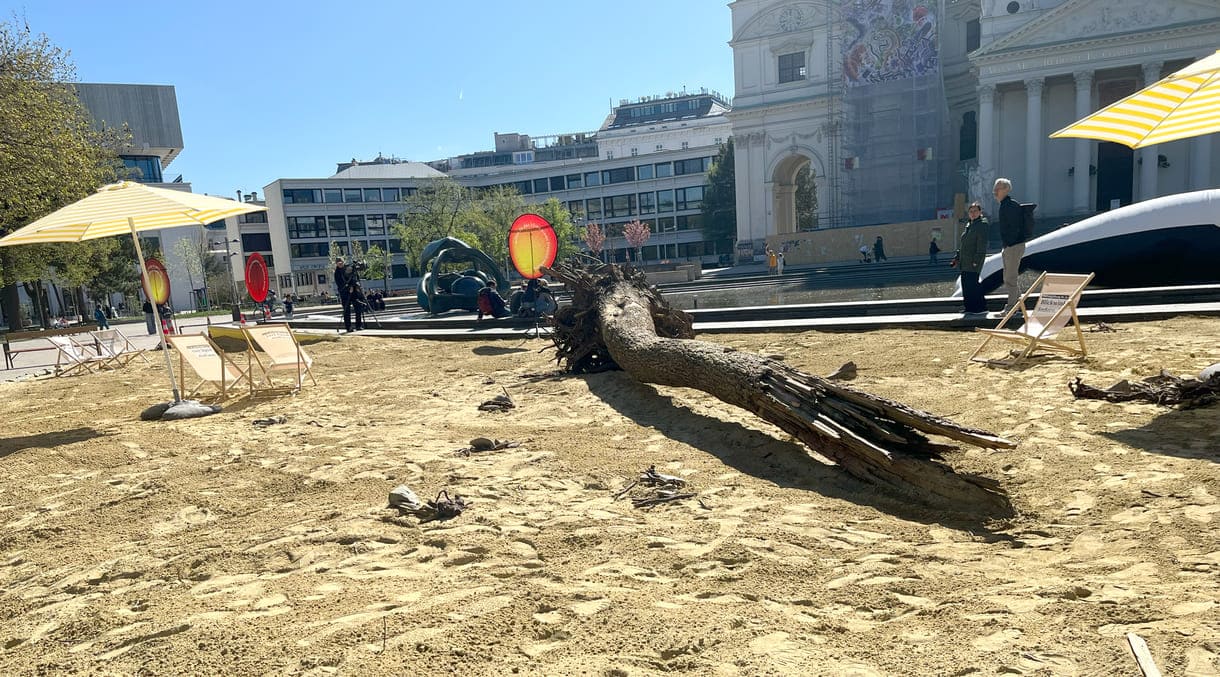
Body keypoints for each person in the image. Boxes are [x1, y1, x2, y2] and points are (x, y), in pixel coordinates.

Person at [994, 177, 1027, 310]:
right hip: (1010, 245)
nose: (995, 192)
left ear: (1006, 189)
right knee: (1008, 278)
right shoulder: (1005, 205)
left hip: (1013, 246)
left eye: (997, 189)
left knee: (1010, 278)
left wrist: (1009, 243)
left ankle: (1012, 308)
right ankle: (1019, 306)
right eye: (994, 189)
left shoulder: (1010, 206)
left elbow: (1014, 227)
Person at [952, 202, 990, 315]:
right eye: (971, 211)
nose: (973, 213)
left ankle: (981, 308)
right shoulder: (969, 225)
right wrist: (957, 258)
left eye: (975, 211)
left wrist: (976, 260)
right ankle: (969, 308)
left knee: (973, 284)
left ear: (980, 212)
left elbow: (981, 245)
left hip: (973, 261)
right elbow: (963, 245)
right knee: (966, 284)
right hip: (965, 261)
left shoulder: (981, 225)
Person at [334, 257, 364, 332]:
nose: (340, 264)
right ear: (336, 264)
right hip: (344, 294)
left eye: (341, 262)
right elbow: (340, 284)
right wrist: (348, 288)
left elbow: (354, 278)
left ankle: (359, 325)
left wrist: (356, 286)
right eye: (339, 263)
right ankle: (349, 327)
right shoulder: (337, 273)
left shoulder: (348, 268)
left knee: (358, 307)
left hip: (354, 291)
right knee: (346, 310)